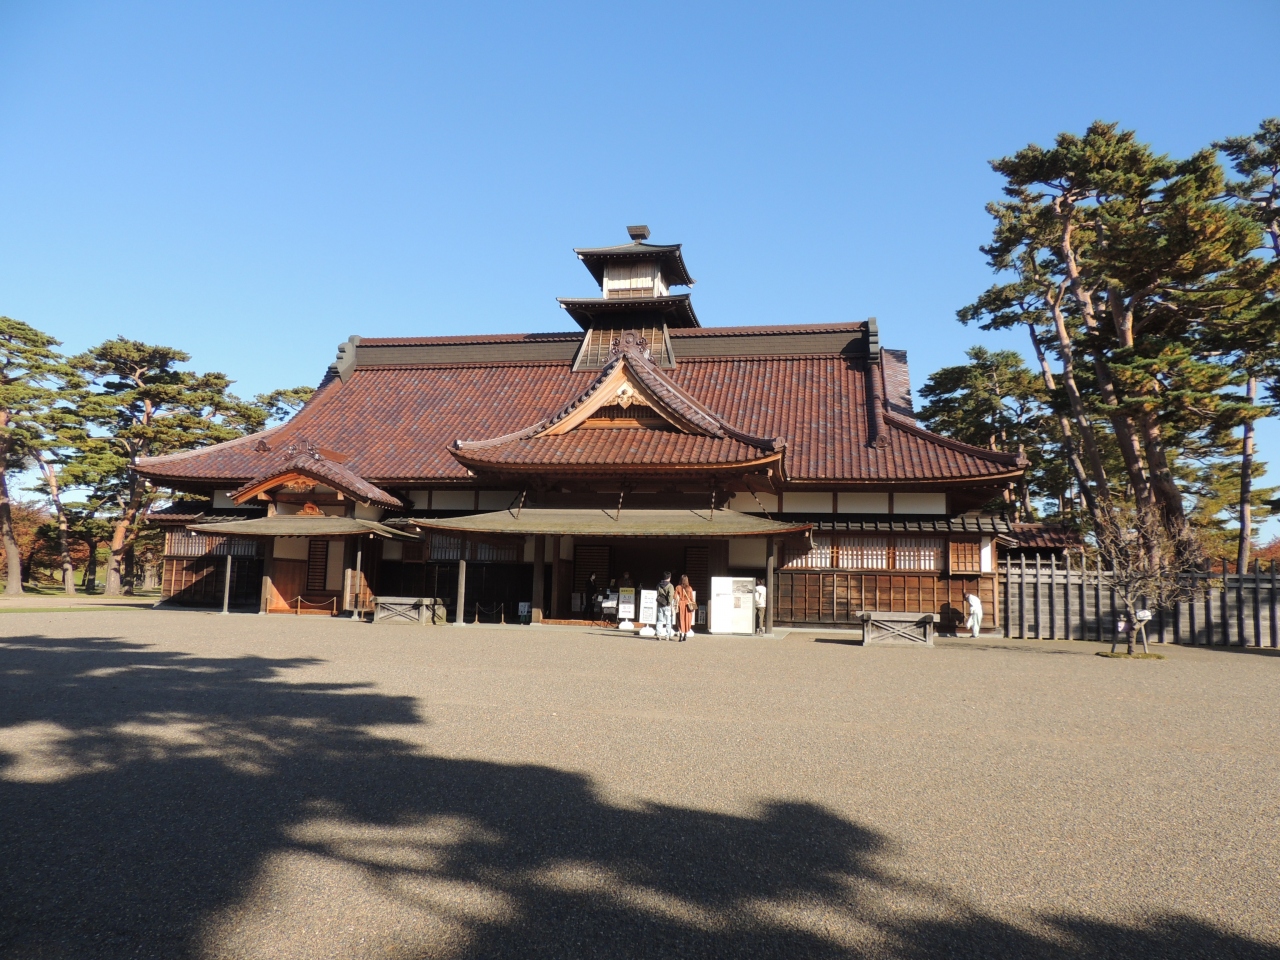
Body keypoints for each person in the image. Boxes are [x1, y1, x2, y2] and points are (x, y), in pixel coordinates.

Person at [674, 574, 696, 642]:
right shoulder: (689, 588)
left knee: (680, 620)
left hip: (680, 605)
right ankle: (685, 635)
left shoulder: (678, 587)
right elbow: (692, 598)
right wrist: (694, 607)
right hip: (688, 606)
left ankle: (680, 635)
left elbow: (674, 597)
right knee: (687, 620)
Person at [655, 571, 675, 640]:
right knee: (668, 621)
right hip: (667, 605)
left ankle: (658, 634)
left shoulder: (659, 585)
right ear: (669, 577)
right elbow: (671, 595)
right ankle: (667, 635)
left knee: (659, 620)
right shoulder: (670, 586)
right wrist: (669, 603)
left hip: (660, 604)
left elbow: (657, 593)